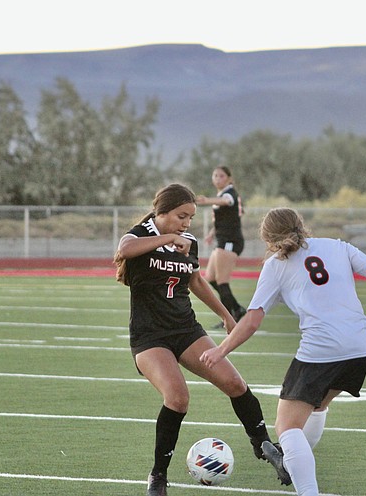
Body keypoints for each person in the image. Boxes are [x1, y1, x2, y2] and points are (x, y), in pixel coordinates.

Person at [200, 207, 366, 495]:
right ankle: (294, 461)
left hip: (322, 349)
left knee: (286, 427)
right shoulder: (336, 246)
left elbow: (251, 320)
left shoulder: (276, 265)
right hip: (359, 346)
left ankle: (305, 485)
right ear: (301, 225)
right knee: (317, 407)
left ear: (267, 239)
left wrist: (221, 351)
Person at [113, 184, 275, 496]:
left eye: (190, 217)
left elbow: (196, 280)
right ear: (161, 212)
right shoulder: (141, 233)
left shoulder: (188, 241)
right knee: (178, 398)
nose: (187, 223)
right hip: (150, 336)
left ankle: (264, 444)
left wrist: (227, 314)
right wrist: (168, 237)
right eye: (181, 216)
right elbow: (125, 249)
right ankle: (158, 476)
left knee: (234, 383)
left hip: (186, 329)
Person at [196, 166, 247, 322]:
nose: (217, 179)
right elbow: (231, 215)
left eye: (221, 176)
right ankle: (237, 309)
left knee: (222, 281)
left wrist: (206, 200)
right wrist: (212, 234)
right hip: (223, 240)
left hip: (230, 241)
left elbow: (227, 201)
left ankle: (229, 318)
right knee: (210, 278)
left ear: (229, 179)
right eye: (215, 175)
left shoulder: (229, 194)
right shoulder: (222, 195)